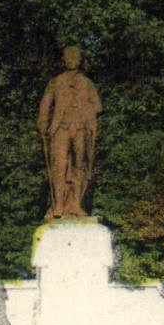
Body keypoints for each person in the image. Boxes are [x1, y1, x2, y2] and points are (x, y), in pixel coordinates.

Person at [38, 45, 102, 220]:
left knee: (79, 167)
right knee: (59, 166)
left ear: (80, 61)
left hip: (81, 130)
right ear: (63, 60)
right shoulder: (56, 82)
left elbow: (97, 106)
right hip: (60, 129)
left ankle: (75, 204)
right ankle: (58, 204)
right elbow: (45, 106)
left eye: (75, 57)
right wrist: (43, 123)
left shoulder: (87, 83)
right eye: (68, 57)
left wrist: (84, 110)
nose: (72, 60)